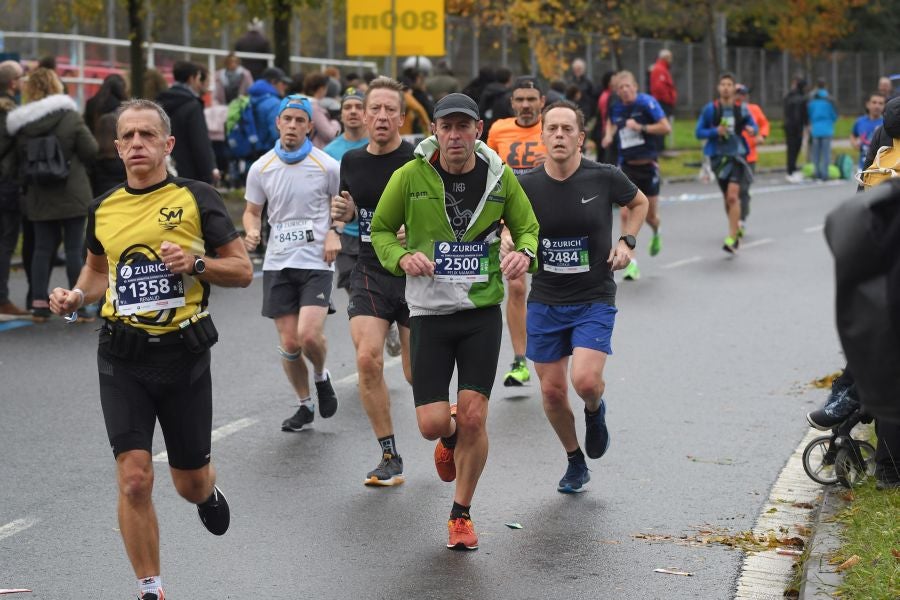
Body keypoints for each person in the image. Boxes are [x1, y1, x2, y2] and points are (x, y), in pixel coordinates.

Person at [48, 98, 253, 600]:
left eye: (147, 135)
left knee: (188, 483)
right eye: (128, 136)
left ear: (168, 144)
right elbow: (97, 270)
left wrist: (196, 264)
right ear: (117, 147)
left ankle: (205, 491)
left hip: (184, 357)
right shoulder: (103, 207)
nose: (137, 143)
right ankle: (150, 588)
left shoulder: (197, 197)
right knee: (135, 478)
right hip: (122, 357)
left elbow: (242, 270)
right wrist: (76, 296)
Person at [370, 93, 539, 550]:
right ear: (435, 131)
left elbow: (527, 227)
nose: (455, 136)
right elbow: (380, 231)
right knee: (431, 424)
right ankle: (447, 440)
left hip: (481, 311)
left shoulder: (500, 177)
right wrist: (401, 257)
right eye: (446, 127)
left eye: (463, 126)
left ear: (478, 130)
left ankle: (460, 514)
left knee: (474, 417)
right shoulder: (409, 176)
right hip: (428, 312)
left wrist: (525, 253)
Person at [519, 99, 648, 493]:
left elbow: (639, 202)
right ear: (542, 136)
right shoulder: (525, 185)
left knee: (586, 381)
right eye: (552, 129)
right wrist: (509, 240)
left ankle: (594, 409)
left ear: (580, 138)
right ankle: (575, 460)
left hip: (593, 295)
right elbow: (506, 223)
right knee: (552, 391)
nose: (559, 135)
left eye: (567, 129)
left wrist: (627, 242)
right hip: (545, 298)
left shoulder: (603, 176)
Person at [330, 76, 416, 485]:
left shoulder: (419, 159)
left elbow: (446, 211)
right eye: (374, 109)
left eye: (389, 110)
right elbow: (352, 210)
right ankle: (389, 455)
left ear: (401, 117)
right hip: (370, 268)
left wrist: (416, 231)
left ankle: (446, 430)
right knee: (367, 359)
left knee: (417, 375)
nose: (381, 116)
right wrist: (345, 215)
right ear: (363, 116)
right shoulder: (352, 161)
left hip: (415, 273)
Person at [241, 94, 342, 432]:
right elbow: (252, 211)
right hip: (278, 263)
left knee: (309, 336)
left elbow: (343, 205)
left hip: (316, 261)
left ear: (310, 126)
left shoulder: (327, 165)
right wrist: (252, 230)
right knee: (289, 343)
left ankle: (321, 376)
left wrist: (334, 231)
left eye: (300, 120)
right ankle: (304, 405)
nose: (293, 126)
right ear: (278, 123)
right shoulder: (262, 167)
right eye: (288, 119)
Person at [6, 68, 98, 321]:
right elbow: (90, 149)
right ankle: (78, 306)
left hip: (39, 193)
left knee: (42, 248)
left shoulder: (22, 123)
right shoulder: (70, 116)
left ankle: (38, 304)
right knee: (74, 249)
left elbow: (18, 160)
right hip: (72, 191)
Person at [486, 75, 547, 387]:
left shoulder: (553, 128)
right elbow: (487, 175)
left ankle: (551, 353)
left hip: (551, 217)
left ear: (542, 103)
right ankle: (520, 360)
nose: (525, 105)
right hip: (513, 221)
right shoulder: (499, 129)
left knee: (552, 286)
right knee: (517, 286)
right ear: (512, 103)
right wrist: (500, 225)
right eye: (520, 99)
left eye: (531, 99)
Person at [602, 70, 671, 281]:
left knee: (650, 216)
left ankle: (657, 230)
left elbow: (665, 127)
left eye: (627, 86)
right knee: (625, 214)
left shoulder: (647, 103)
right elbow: (612, 122)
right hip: (627, 166)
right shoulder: (616, 108)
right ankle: (631, 263)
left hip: (648, 166)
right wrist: (608, 135)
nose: (624, 90)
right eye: (620, 88)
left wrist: (641, 127)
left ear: (635, 87)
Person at [695, 72, 758, 254]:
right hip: (718, 158)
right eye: (723, 84)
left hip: (737, 156)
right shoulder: (711, 110)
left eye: (729, 85)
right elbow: (698, 132)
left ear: (734, 89)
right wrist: (715, 131)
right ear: (718, 88)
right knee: (726, 198)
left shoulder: (742, 109)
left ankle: (732, 237)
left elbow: (754, 126)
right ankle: (735, 227)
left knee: (732, 196)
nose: (726, 88)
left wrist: (752, 130)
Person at [156, 61, 218, 184]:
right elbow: (200, 141)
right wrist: (209, 171)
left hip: (165, 168)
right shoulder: (192, 105)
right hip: (190, 173)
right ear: (191, 79)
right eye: (198, 78)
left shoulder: (160, 102)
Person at [0, 60, 28, 318]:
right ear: (12, 83)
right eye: (20, 77)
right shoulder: (10, 113)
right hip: (6, 183)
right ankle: (2, 299)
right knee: (6, 242)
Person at [735, 84, 770, 235]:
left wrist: (762, 136)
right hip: (731, 157)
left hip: (749, 157)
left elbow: (764, 124)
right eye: (738, 93)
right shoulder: (726, 110)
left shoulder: (754, 109)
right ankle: (735, 216)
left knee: (743, 189)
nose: (742, 96)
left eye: (744, 94)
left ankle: (741, 219)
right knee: (732, 192)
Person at [807, 79, 838, 182]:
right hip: (827, 129)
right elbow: (834, 115)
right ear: (825, 86)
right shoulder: (829, 101)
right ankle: (825, 174)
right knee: (826, 153)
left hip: (815, 130)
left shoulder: (812, 101)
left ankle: (817, 173)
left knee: (815, 153)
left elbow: (809, 114)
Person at [303, 72, 342, 149]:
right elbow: (330, 134)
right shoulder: (314, 108)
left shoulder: (301, 102)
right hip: (316, 150)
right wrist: (336, 122)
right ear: (321, 89)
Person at [649, 49, 677, 151]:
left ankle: (660, 146)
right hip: (662, 103)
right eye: (670, 58)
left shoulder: (662, 69)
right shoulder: (660, 69)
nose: (671, 60)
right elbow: (659, 88)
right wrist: (668, 99)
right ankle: (659, 147)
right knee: (662, 124)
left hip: (663, 102)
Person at [850, 92, 885, 171]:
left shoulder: (887, 122)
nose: (877, 106)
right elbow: (853, 134)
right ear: (868, 104)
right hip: (863, 166)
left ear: (884, 106)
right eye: (874, 102)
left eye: (880, 103)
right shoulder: (860, 121)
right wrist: (854, 143)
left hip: (882, 168)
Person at [783, 76, 808, 183]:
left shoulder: (788, 96)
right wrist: (806, 125)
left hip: (788, 126)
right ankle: (791, 170)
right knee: (795, 148)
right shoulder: (802, 98)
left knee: (791, 149)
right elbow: (803, 114)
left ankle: (791, 170)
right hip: (797, 127)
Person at [568, 58, 596, 122]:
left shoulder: (588, 82)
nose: (577, 71)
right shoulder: (570, 82)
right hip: (572, 112)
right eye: (576, 69)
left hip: (585, 112)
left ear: (583, 69)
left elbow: (593, 99)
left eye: (579, 69)